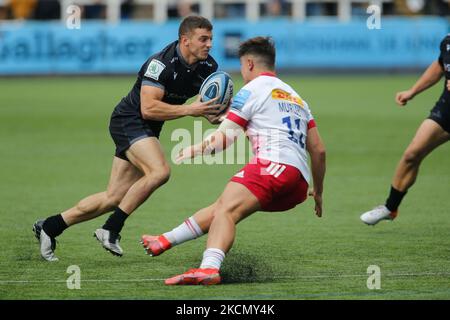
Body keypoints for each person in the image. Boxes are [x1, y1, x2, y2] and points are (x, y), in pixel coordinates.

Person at [33, 16, 222, 261]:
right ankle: (111, 229)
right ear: (185, 40)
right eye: (203, 39)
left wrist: (212, 114)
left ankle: (50, 226)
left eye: (211, 39)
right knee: (160, 172)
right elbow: (148, 109)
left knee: (114, 197)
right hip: (129, 120)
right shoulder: (161, 64)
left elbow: (204, 105)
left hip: (149, 129)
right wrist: (190, 110)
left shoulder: (208, 68)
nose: (209, 44)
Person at [141, 37, 326, 285]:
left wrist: (196, 149)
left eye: (241, 66)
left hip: (272, 168)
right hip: (299, 185)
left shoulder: (251, 90)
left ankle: (208, 269)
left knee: (226, 211)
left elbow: (222, 141)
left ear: (249, 63)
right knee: (223, 207)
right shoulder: (296, 98)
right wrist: (320, 191)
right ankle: (164, 240)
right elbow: (319, 150)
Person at [360, 34, 450, 225]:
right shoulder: (448, 41)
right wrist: (413, 91)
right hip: (447, 109)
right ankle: (390, 208)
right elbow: (441, 65)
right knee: (412, 154)